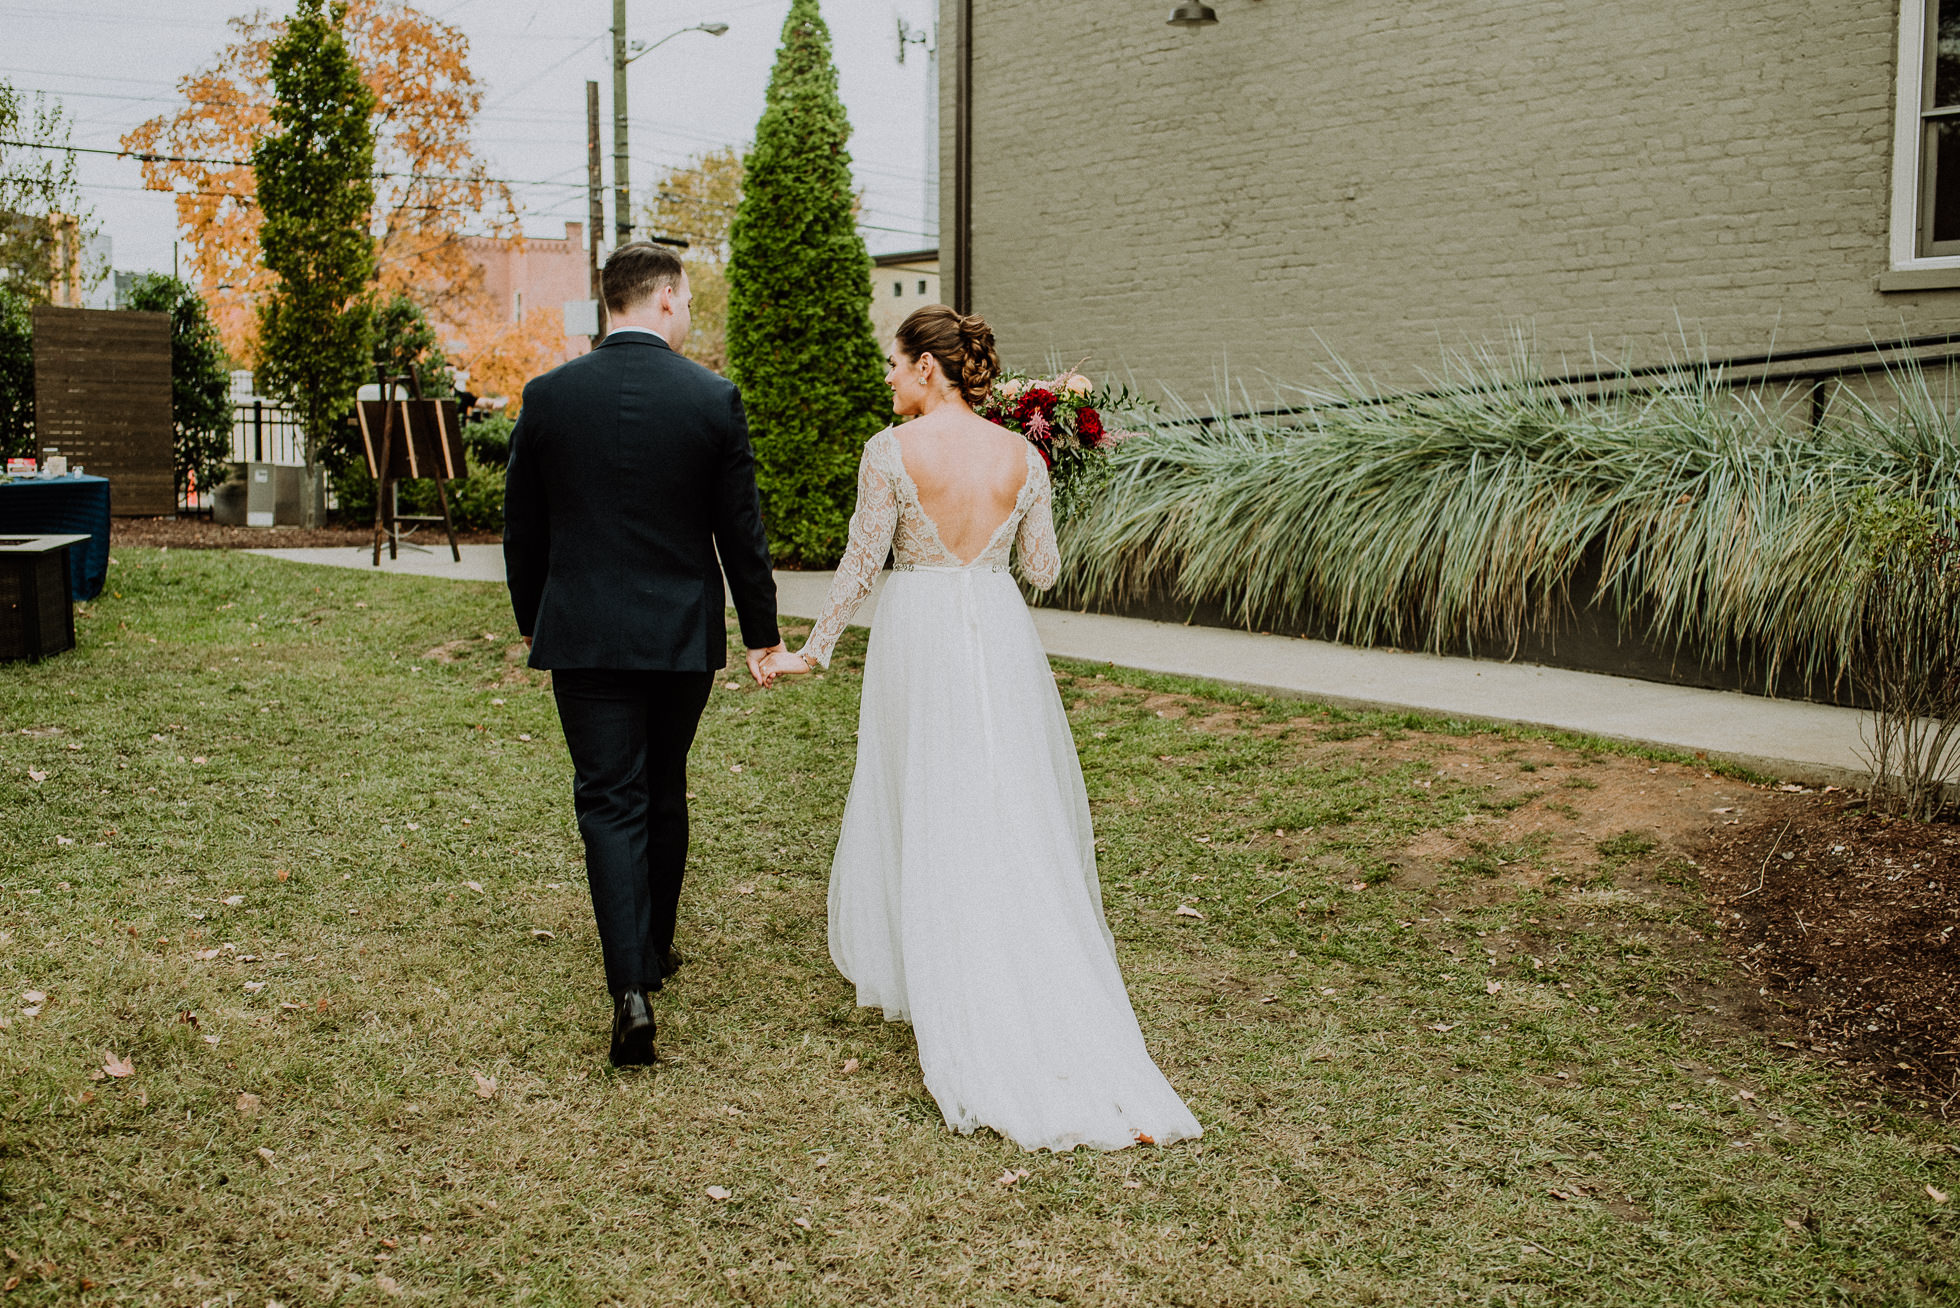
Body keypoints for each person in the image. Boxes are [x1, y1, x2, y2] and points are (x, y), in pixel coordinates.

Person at [765, 305, 1201, 1152]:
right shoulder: (1025, 455)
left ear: (928, 368)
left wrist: (811, 653)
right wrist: (1043, 490)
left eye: (894, 364)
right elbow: (1042, 569)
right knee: (1002, 795)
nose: (887, 379)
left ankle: (952, 978)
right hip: (997, 633)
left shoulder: (890, 453)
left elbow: (862, 561)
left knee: (927, 791)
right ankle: (1014, 960)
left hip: (920, 634)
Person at [503, 242, 802, 1066]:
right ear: (664, 299)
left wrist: (534, 617)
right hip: (678, 634)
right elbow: (741, 533)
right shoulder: (711, 398)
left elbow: (522, 525)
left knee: (608, 798)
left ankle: (629, 984)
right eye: (690, 297)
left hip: (585, 632)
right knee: (661, 784)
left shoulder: (549, 396)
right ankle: (656, 950)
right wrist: (763, 636)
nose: (691, 309)